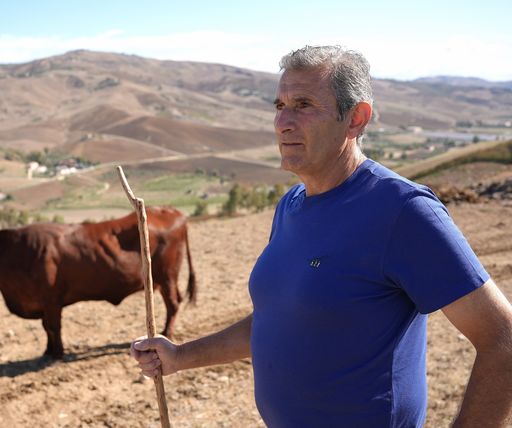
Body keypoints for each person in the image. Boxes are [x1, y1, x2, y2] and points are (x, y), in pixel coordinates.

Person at [130, 45, 512, 427]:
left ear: (356, 119)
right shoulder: (291, 205)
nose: (283, 122)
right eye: (280, 106)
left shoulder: (402, 211)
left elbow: (503, 341)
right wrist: (180, 356)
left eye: (303, 105)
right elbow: (278, 321)